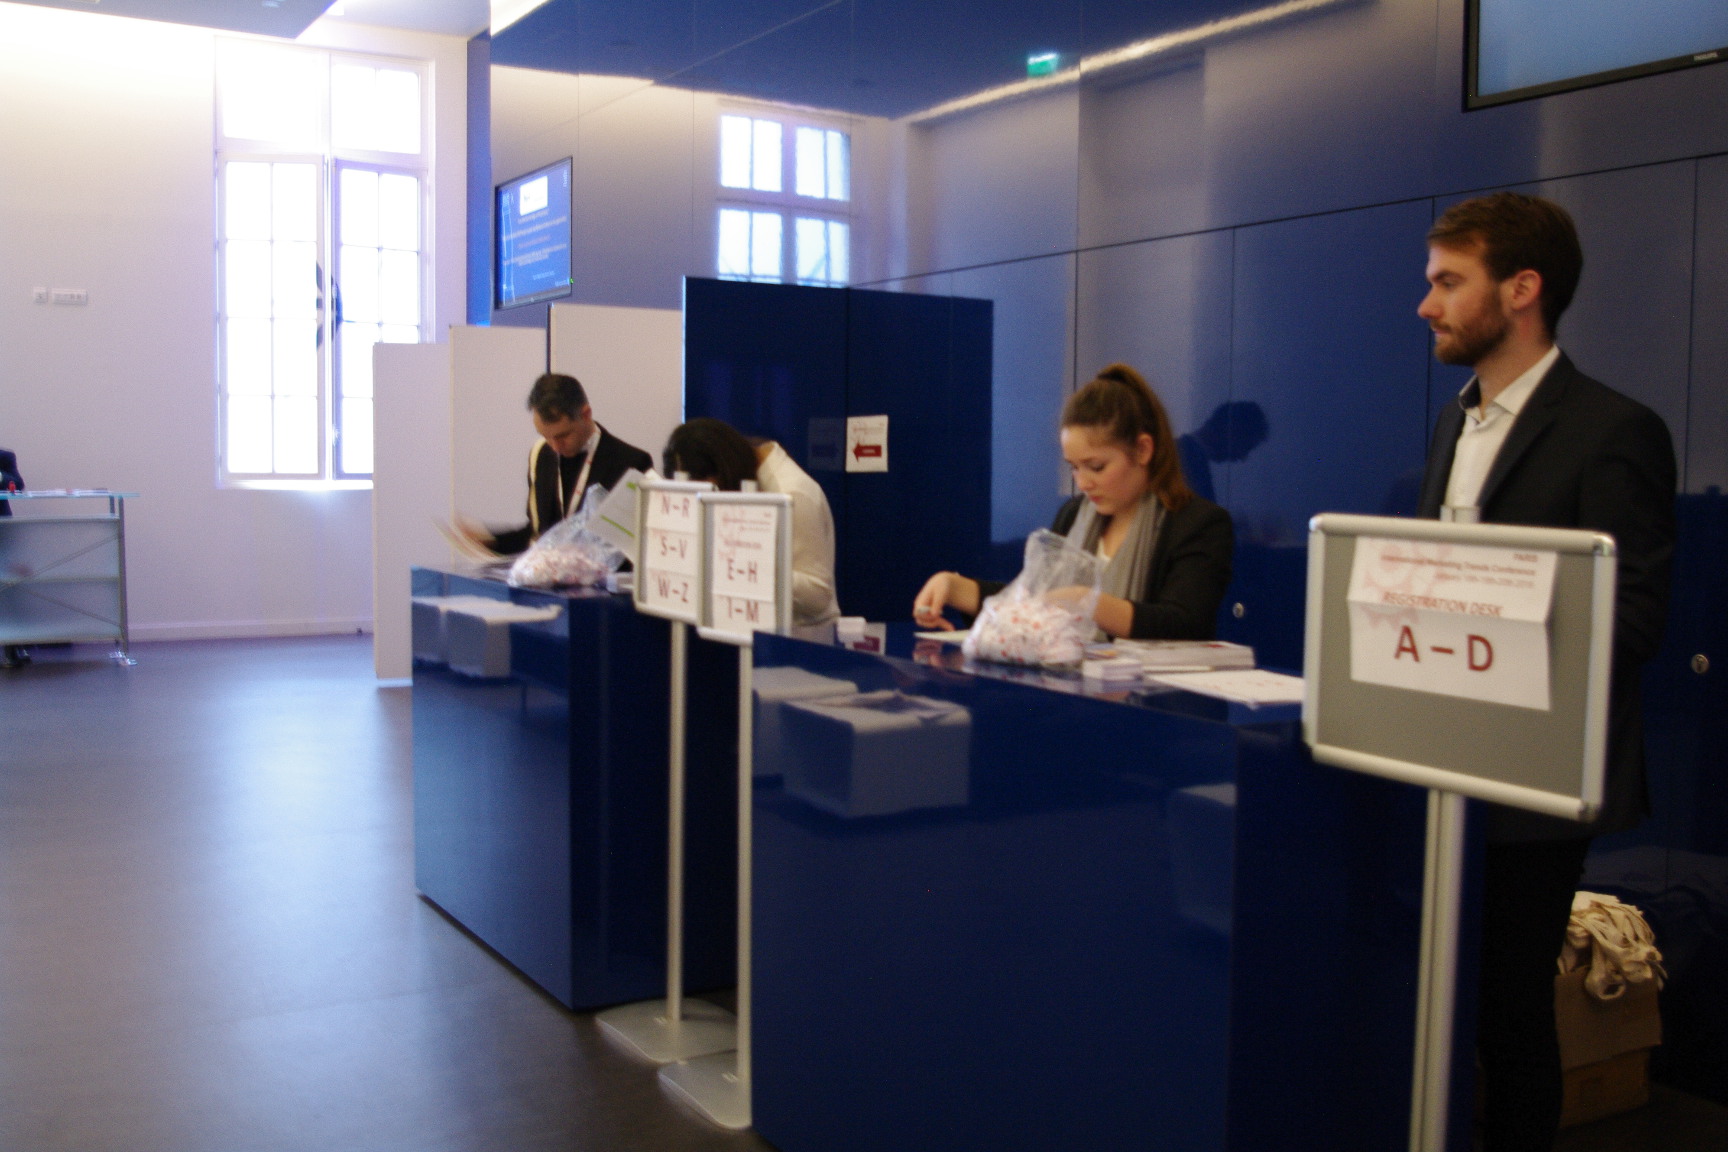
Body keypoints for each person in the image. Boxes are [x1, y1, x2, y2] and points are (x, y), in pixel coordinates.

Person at [1414, 192, 1675, 1152]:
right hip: (1436, 758)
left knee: (1509, 1008)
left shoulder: (1614, 428)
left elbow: (1633, 620)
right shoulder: (1453, 426)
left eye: (1449, 282)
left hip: (1533, 775)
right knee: (1439, 994)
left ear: (1521, 290)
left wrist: (1488, 626)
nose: (1427, 304)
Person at [913, 363, 1233, 639]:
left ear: (1143, 450)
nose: (1082, 483)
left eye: (1096, 467)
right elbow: (1033, 599)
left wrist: (1086, 602)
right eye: (1074, 467)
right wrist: (954, 587)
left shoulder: (1199, 524)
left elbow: (1185, 624)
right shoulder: (1073, 514)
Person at [662, 418, 841, 633]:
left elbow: (817, 597)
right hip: (751, 627)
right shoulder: (747, 478)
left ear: (724, 470)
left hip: (802, 636)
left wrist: (744, 564)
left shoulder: (793, 492)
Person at [463, 373, 653, 556]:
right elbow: (539, 534)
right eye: (546, 436)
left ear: (586, 414)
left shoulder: (632, 463)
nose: (555, 447)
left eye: (563, 435)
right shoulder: (541, 455)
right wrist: (491, 541)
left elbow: (636, 548)